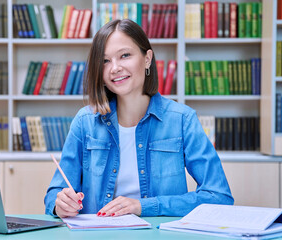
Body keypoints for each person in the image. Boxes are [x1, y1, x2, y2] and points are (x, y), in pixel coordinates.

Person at [44, 19, 234, 218]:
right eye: (105, 61)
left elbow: (219, 196)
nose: (114, 68)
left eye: (124, 55)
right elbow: (54, 195)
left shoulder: (182, 120)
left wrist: (144, 206)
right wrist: (60, 204)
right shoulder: (85, 122)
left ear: (147, 58)